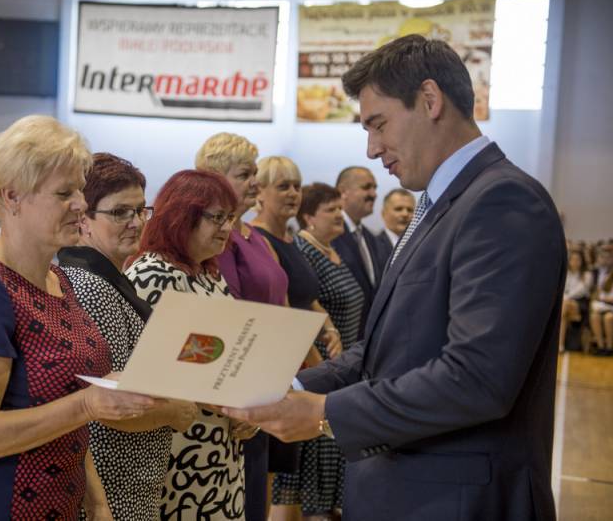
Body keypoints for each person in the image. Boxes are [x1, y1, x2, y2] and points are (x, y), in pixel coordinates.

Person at [224, 34, 566, 521]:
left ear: (429, 100)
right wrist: (285, 382)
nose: (372, 149)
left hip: (457, 501)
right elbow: (387, 351)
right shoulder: (442, 204)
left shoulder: (501, 202)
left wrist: (323, 413)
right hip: (410, 491)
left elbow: (476, 378)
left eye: (378, 124)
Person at [0, 116, 156, 519]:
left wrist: (96, 500)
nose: (80, 203)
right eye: (65, 192)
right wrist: (89, 404)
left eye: (79, 189)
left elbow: (65, 414)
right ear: (12, 197)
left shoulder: (57, 279)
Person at [58, 153, 199, 520]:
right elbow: (112, 403)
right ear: (83, 219)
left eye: (140, 210)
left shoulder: (105, 278)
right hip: (114, 483)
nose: (136, 223)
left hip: (128, 480)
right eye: (120, 212)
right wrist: (176, 411)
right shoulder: (90, 286)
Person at [126, 169, 257, 521]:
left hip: (220, 451)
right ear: (181, 217)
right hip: (180, 452)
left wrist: (249, 409)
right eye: (217, 218)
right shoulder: (153, 274)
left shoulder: (208, 274)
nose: (227, 228)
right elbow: (157, 372)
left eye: (230, 218)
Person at [195, 133, 288, 521]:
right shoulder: (217, 239)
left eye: (255, 172)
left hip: (265, 381)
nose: (255, 182)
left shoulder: (255, 237)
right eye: (245, 174)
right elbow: (225, 316)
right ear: (215, 179)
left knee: (256, 500)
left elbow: (280, 301)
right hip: (235, 388)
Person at [250, 157, 343, 521]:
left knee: (291, 475)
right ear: (259, 192)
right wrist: (321, 368)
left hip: (308, 357)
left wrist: (329, 328)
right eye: (282, 186)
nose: (293, 193)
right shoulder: (259, 240)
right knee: (279, 479)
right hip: (292, 363)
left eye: (296, 186)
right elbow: (284, 310)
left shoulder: (289, 239)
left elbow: (307, 297)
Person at [293, 182, 367, 520]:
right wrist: (319, 361)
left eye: (340, 207)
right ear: (309, 216)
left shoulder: (333, 250)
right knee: (310, 485)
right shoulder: (304, 252)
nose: (340, 214)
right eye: (331, 209)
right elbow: (302, 306)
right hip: (321, 370)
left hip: (344, 369)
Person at [332, 165, 382, 336]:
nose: (373, 194)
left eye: (375, 188)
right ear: (342, 192)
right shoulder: (329, 236)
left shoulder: (371, 238)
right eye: (366, 187)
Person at [559, 249, 593, 353]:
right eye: (572, 259)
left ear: (582, 261)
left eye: (578, 259)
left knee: (564, 306)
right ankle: (561, 343)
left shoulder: (587, 275)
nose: (575, 262)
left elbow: (580, 291)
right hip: (566, 302)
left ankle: (560, 344)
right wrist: (565, 298)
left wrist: (566, 297)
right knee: (564, 311)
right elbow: (562, 289)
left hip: (581, 303)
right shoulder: (567, 274)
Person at [373, 188, 415, 269]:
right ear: (383, 213)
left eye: (410, 210)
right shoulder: (373, 245)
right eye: (398, 209)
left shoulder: (419, 245)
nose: (405, 214)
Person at [590, 243, 613, 355]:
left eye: (608, 258)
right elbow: (595, 293)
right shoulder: (597, 273)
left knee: (608, 318)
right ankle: (601, 346)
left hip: (610, 306)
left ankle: (610, 347)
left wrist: (604, 298)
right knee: (594, 317)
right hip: (601, 305)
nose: (605, 260)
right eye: (602, 257)